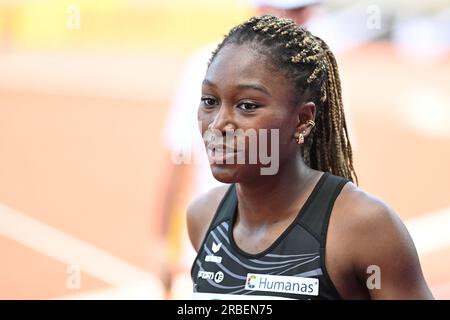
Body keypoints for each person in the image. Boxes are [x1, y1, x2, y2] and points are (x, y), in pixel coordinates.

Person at [187, 15, 433, 299]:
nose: (218, 125)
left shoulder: (363, 228)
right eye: (209, 101)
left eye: (247, 105)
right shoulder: (203, 218)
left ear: (303, 120)